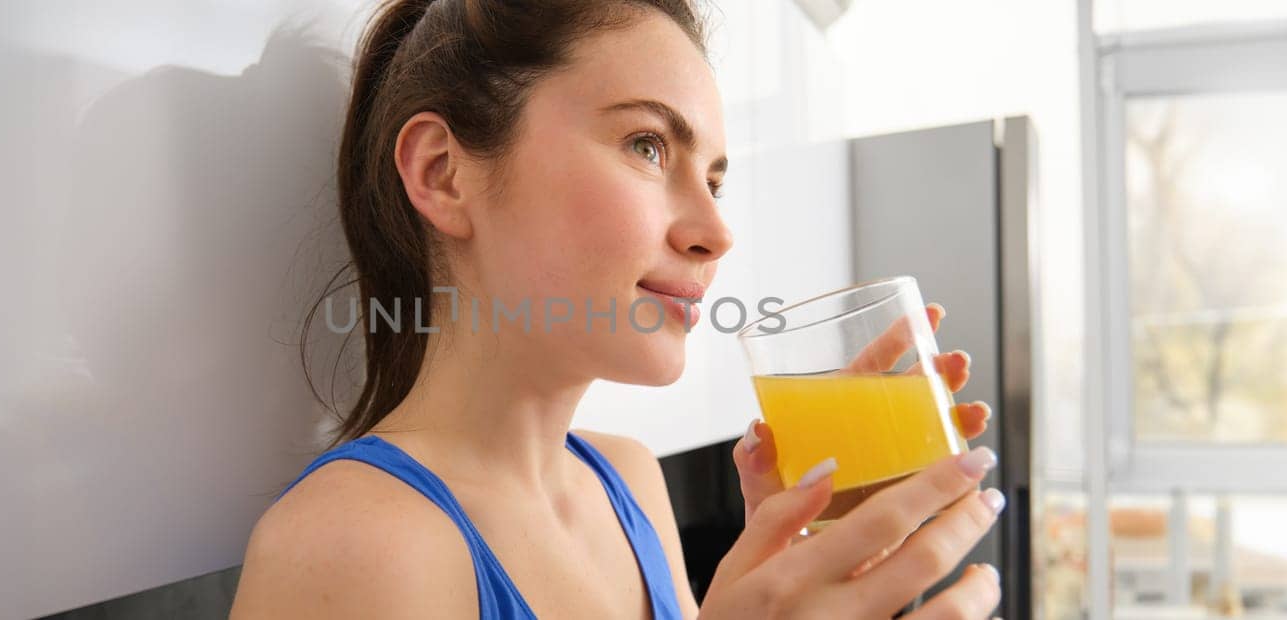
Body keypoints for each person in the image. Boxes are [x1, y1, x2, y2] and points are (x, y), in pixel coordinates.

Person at [229, 1, 1004, 617]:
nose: (716, 232)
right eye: (647, 145)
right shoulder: (353, 547)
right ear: (443, 174)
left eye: (716, 179)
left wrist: (813, 577)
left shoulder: (626, 481)